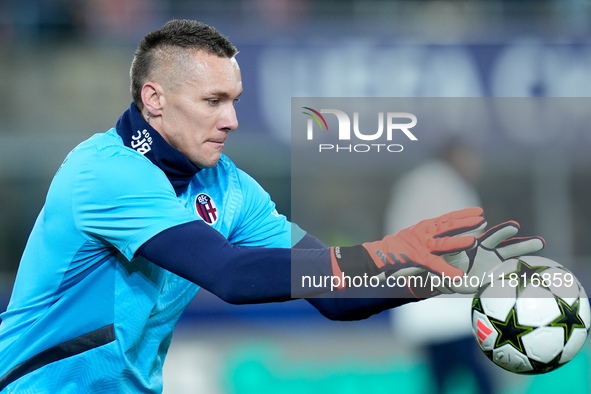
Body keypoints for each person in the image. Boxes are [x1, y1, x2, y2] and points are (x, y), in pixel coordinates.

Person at [0, 20, 544, 393]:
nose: (232, 119)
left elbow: (338, 296)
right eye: (213, 101)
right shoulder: (105, 172)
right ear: (154, 99)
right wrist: (377, 251)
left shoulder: (230, 187)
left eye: (233, 100)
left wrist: (446, 275)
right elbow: (231, 274)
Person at [386, 141, 496, 393]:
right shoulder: (447, 189)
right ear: (456, 156)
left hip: (423, 300)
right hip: (447, 301)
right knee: (476, 369)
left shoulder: (416, 185)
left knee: (441, 372)